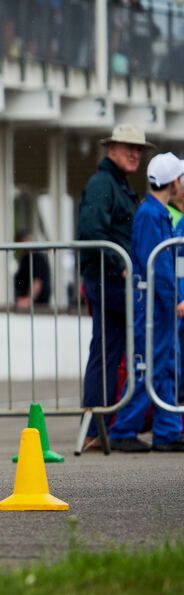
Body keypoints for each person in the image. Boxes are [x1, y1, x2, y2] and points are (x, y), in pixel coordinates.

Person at [77, 124, 153, 449]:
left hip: (110, 280)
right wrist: (121, 266)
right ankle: (104, 428)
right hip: (109, 281)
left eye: (138, 149)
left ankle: (100, 427)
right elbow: (91, 231)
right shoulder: (103, 184)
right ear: (111, 149)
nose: (135, 153)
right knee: (116, 350)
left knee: (109, 352)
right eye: (128, 147)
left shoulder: (115, 183)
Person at [109, 153, 184, 452]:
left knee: (165, 364)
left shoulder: (156, 211)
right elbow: (159, 266)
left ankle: (167, 431)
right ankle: (124, 429)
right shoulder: (153, 215)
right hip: (153, 304)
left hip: (157, 304)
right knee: (147, 364)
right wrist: (176, 298)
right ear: (174, 181)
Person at [14, 230, 51, 308]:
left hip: (36, 305)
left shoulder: (36, 258)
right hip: (27, 303)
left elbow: (37, 281)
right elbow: (21, 280)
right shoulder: (25, 259)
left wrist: (28, 300)